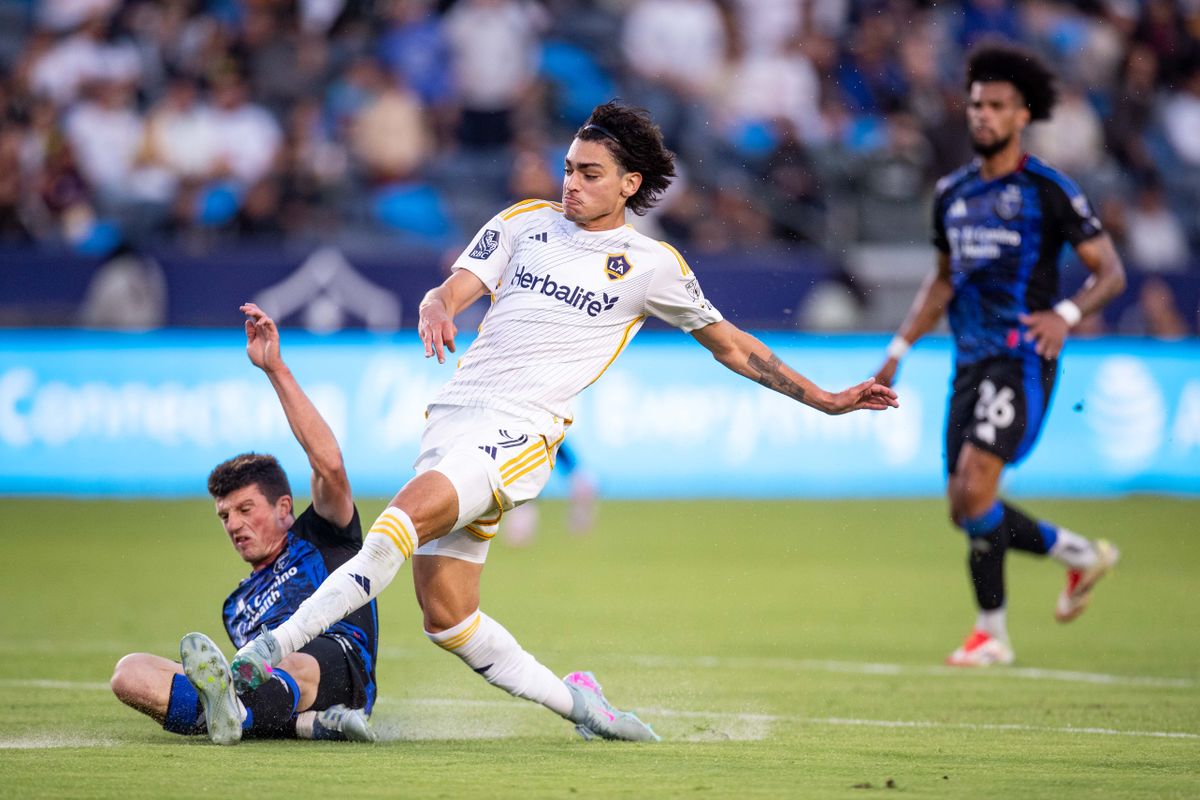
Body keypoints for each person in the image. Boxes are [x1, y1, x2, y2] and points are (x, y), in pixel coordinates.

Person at [230, 101, 898, 742]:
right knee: (446, 618)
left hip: (520, 432)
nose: (571, 183)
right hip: (453, 423)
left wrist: (826, 399)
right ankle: (585, 705)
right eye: (570, 168)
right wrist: (437, 303)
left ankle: (265, 651)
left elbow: (732, 345)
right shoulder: (525, 222)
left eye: (589, 173)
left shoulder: (651, 266)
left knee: (392, 529)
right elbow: (458, 286)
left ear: (629, 184)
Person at [874, 45, 1127, 667]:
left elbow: (1110, 272)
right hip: (970, 361)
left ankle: (991, 633)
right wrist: (900, 347)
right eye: (976, 105)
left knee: (978, 485)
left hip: (1021, 357)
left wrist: (1065, 315)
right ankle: (1077, 555)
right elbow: (941, 281)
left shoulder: (1048, 190)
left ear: (1022, 117)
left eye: (997, 107)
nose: (982, 115)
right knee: (964, 507)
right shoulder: (952, 194)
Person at [109, 303, 379, 745]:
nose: (234, 524)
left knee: (289, 664)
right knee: (129, 673)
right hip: (266, 687)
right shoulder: (236, 607)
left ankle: (253, 714)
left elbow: (329, 465)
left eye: (246, 509)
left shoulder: (322, 536)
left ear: (284, 508)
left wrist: (274, 369)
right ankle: (292, 723)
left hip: (338, 668)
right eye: (224, 515)